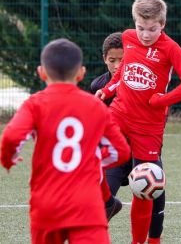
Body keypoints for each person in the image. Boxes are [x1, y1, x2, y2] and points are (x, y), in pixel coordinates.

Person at [0, 38, 131, 244]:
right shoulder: (95, 105)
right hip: (87, 203)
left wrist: (9, 158)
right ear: (81, 73)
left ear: (41, 73)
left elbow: (10, 138)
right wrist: (95, 160)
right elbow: (121, 151)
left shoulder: (34, 104)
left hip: (46, 204)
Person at [95, 0, 181, 243]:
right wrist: (109, 89)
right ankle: (108, 203)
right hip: (119, 115)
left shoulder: (170, 48)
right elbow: (124, 70)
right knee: (93, 153)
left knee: (144, 188)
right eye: (141, 27)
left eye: (152, 29)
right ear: (135, 22)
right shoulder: (128, 37)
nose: (145, 34)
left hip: (148, 128)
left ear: (162, 24)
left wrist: (161, 100)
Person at [89, 32, 126, 221]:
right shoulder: (98, 86)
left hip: (140, 151)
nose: (118, 65)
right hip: (114, 155)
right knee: (99, 203)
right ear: (104, 59)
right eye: (112, 60)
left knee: (150, 194)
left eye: (123, 59)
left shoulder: (140, 83)